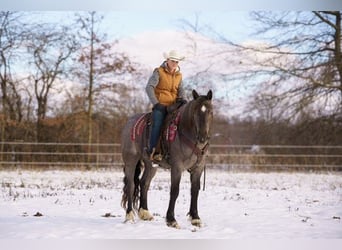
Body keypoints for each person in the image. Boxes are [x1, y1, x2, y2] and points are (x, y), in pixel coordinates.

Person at [145, 50, 187, 162]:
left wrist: (184, 100)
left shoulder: (179, 75)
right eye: (173, 61)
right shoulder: (159, 72)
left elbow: (181, 90)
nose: (174, 64)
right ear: (167, 60)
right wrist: (156, 103)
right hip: (161, 105)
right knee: (158, 124)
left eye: (177, 62)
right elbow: (149, 87)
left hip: (174, 106)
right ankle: (153, 151)